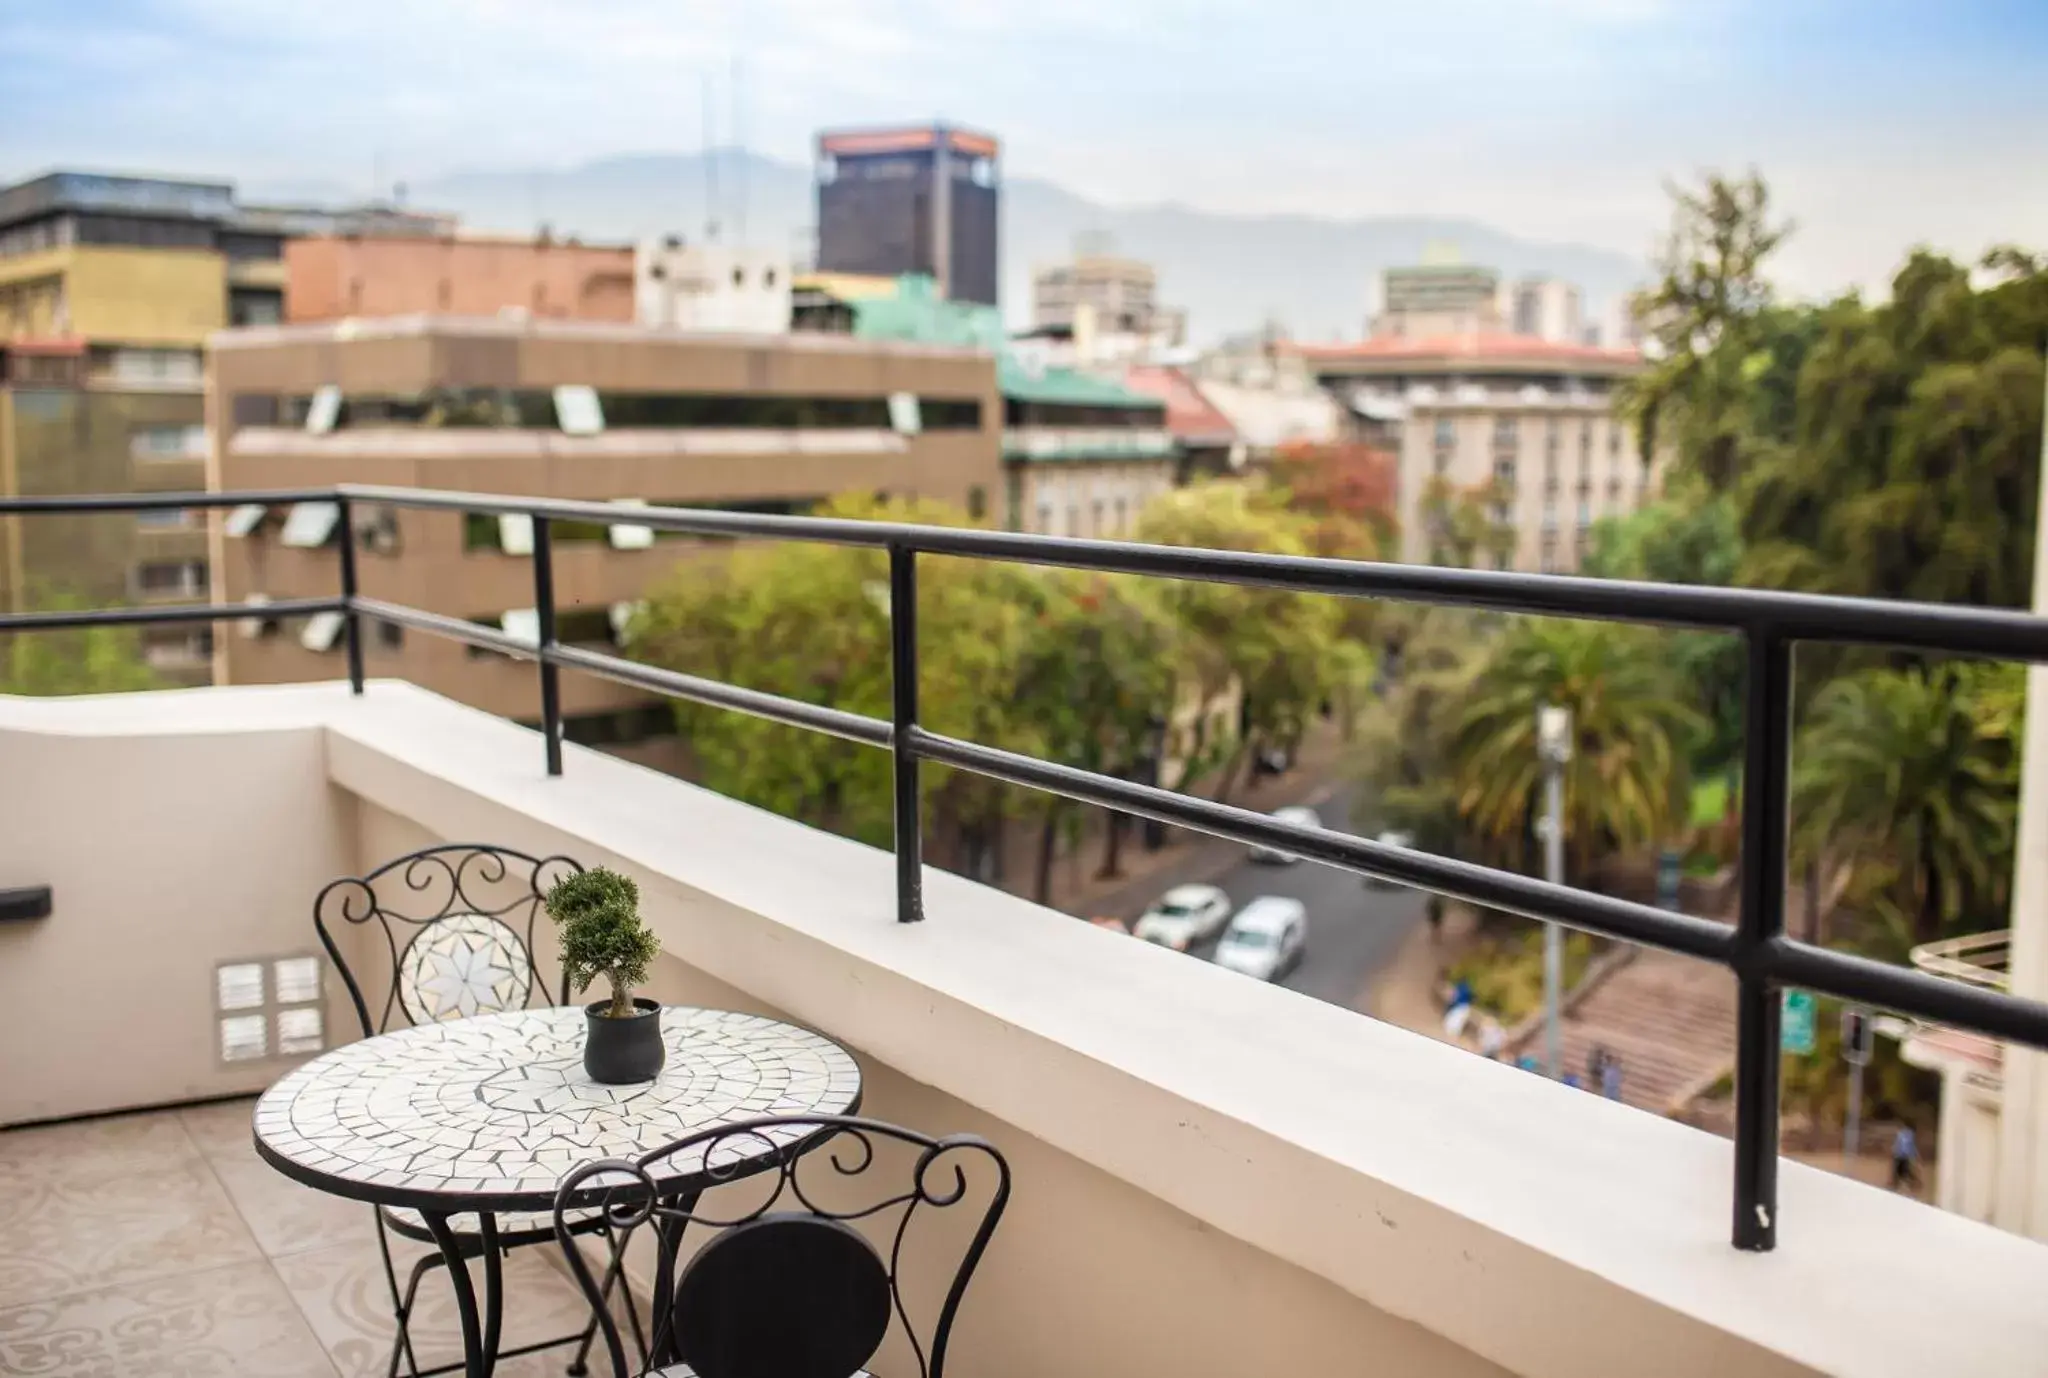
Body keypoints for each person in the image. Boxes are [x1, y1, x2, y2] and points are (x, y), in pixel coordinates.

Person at [1890, 1123, 1921, 1192]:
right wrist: (1915, 1155)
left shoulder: (1900, 1133)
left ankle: (1896, 1183)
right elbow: (1911, 1146)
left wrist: (1893, 1151)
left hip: (1898, 1154)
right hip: (1904, 1155)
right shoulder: (1911, 1134)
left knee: (1898, 1170)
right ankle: (1906, 1184)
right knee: (1905, 1170)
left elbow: (1897, 1143)